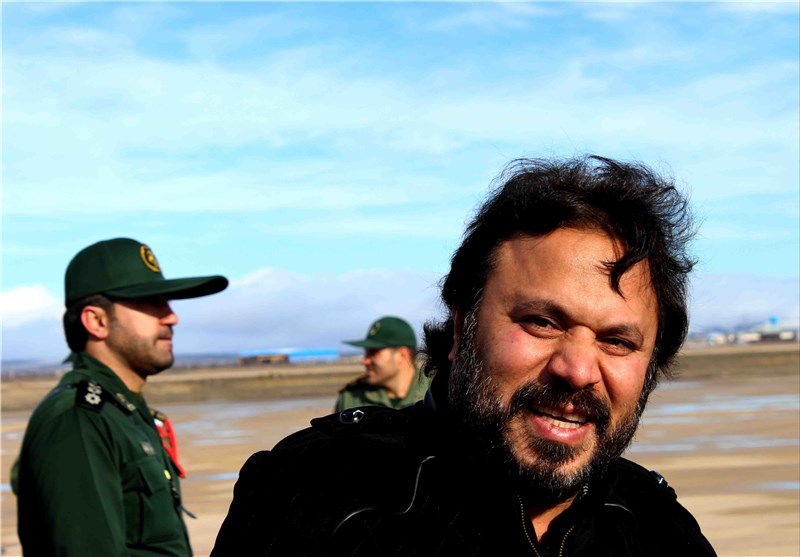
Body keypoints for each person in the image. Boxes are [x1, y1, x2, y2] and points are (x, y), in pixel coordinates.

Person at [211, 156, 717, 556]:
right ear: (462, 326)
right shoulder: (317, 495)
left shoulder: (659, 529)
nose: (578, 370)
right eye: (542, 322)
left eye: (618, 342)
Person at [15, 237, 228, 557]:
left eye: (168, 302)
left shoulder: (125, 412)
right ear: (97, 321)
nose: (172, 317)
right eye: (151, 303)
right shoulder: (80, 419)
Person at [335, 316, 430, 412]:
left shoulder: (434, 393)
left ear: (402, 355)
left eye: (373, 352)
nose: (365, 361)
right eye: (366, 353)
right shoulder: (351, 399)